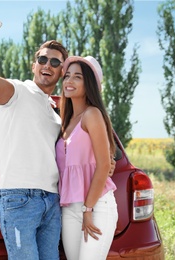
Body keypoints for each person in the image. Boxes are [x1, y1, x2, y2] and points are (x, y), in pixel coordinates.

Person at [0, 33, 68, 259]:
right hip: (20, 198)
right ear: (34, 65)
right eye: (42, 60)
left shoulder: (54, 111)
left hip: (52, 200)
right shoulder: (17, 91)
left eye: (55, 62)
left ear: (61, 71)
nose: (47, 65)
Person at [55, 56, 118, 260]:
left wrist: (88, 209)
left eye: (77, 77)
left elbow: (103, 165)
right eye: (67, 76)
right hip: (70, 208)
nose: (69, 81)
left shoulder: (92, 114)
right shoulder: (66, 122)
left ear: (89, 83)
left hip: (96, 206)